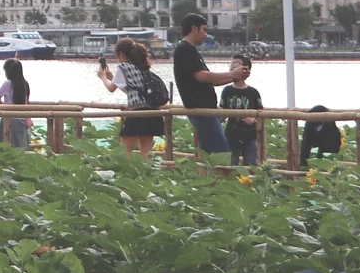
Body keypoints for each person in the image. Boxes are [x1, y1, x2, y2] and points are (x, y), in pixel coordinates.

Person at [173, 14, 241, 160]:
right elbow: (202, 76)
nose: (206, 34)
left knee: (207, 157)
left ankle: (207, 181)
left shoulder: (190, 50)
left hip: (206, 111)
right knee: (222, 157)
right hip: (202, 112)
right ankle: (221, 180)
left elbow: (211, 81)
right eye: (204, 30)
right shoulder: (185, 50)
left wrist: (234, 77)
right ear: (194, 29)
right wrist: (231, 73)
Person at [98, 38, 167, 155]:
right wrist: (112, 78)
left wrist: (103, 77)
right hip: (152, 112)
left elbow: (111, 88)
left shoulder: (123, 67)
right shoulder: (142, 66)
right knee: (146, 151)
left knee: (124, 150)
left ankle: (126, 172)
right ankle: (147, 172)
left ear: (120, 53)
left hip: (136, 113)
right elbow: (134, 90)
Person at [219, 55, 264, 166]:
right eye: (232, 64)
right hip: (231, 135)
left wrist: (253, 121)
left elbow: (261, 114)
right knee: (230, 165)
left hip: (249, 136)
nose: (233, 67)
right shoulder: (227, 90)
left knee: (251, 165)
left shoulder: (253, 92)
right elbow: (222, 111)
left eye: (236, 64)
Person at [0, 58, 32, 150]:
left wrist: (3, 104)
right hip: (22, 119)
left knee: (7, 145)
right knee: (20, 145)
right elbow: (26, 102)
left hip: (9, 118)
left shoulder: (8, 84)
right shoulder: (25, 84)